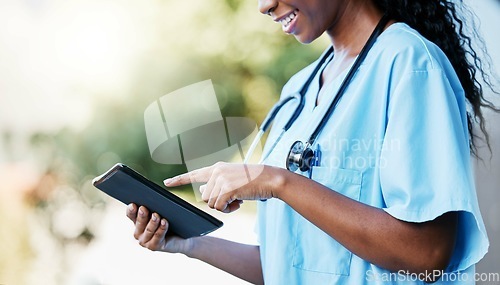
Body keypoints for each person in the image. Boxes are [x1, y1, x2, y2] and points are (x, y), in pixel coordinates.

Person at [125, 0, 497, 284]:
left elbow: (427, 252)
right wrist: (188, 243)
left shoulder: (409, 64)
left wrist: (277, 182)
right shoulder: (299, 89)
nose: (264, 5)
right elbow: (292, 263)